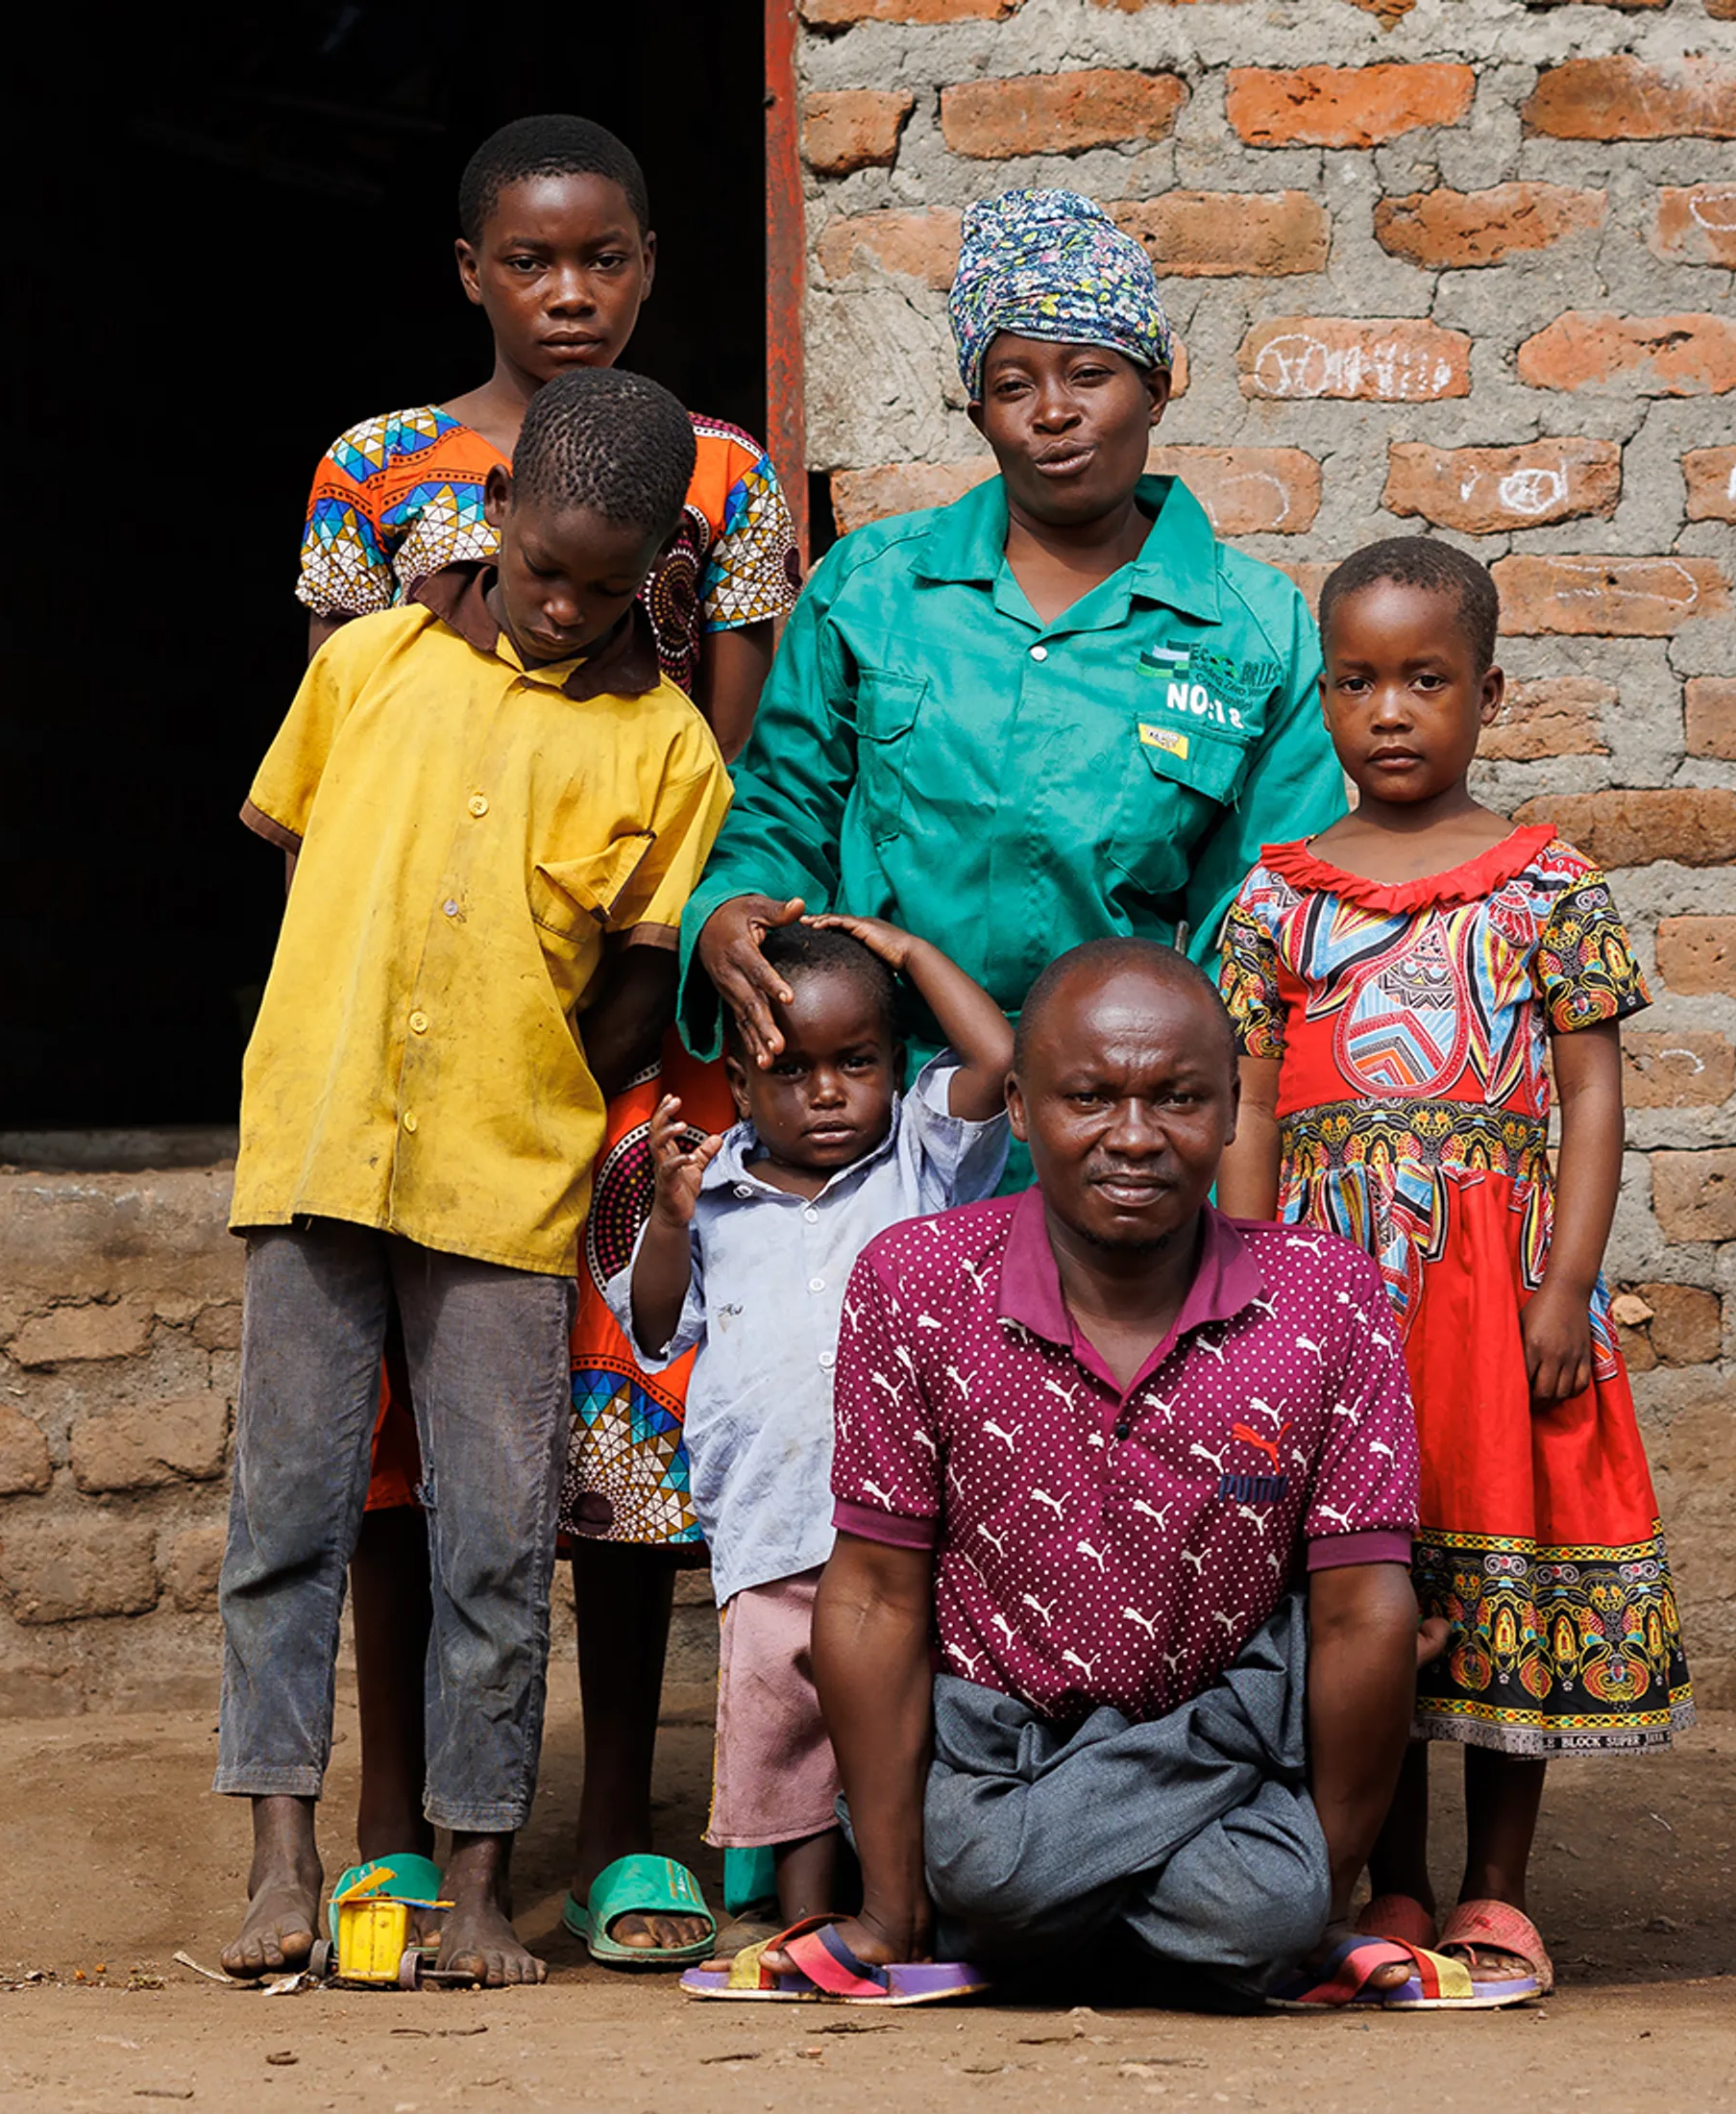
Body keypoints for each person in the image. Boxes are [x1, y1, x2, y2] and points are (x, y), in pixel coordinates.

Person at [292, 111, 796, 1964]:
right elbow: (345, 767)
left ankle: (617, 1829)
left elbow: (723, 777)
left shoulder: (723, 478)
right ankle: (392, 1828)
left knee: (622, 1413)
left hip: (623, 1023)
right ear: (471, 274)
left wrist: (641, 1025)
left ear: (653, 263)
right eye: (530, 260)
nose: (568, 292)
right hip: (414, 1041)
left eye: (604, 259)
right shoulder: (379, 472)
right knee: (403, 1434)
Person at [689, 942, 1535, 2009]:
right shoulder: (915, 1282)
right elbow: (871, 1594)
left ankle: (1055, 1921)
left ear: (1232, 1108)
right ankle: (1210, 1803)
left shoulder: (1327, 1295)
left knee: (1094, 1889)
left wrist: (1315, 1892)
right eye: (1089, 1097)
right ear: (1025, 1106)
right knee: (1027, 1871)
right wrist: (890, 1910)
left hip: (1199, 1753)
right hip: (995, 1746)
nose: (1134, 1138)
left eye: (1178, 1097)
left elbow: (1367, 1609)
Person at [216, 367, 731, 1986]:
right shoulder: (366, 663)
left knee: (499, 1539)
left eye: (603, 580)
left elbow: (643, 982)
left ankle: (478, 1880)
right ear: (490, 523)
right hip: (316, 1144)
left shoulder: (668, 754)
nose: (563, 605)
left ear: (658, 568)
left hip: (506, 1187)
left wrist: (526, 1083)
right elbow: (306, 853)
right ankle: (281, 1863)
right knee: (288, 1514)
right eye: (539, 566)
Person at [1212, 537, 1693, 1993]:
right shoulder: (1277, 900)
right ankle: (1398, 1885)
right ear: (1326, 702)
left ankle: (1497, 1885)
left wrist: (1564, 1287)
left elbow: (1592, 1096)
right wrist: (1243, 1286)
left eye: (1426, 681)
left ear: (1490, 691)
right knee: (1369, 1584)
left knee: (1505, 1561)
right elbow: (1243, 1101)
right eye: (1357, 683)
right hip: (1327, 1293)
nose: (1391, 713)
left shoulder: (1551, 890)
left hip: (1499, 1296)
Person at [683, 187, 1341, 1092]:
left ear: (1155, 388)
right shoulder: (873, 590)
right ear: (980, 415)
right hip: (880, 1111)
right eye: (1012, 385)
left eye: (1089, 374)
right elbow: (782, 809)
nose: (1052, 412)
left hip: (1117, 1115)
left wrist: (1191, 1108)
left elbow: (1268, 908)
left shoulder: (1252, 629)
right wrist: (727, 907)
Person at [603, 918, 1015, 1945]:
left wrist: (914, 954)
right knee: (784, 1730)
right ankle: (801, 1922)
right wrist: (665, 1215)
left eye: (858, 1063)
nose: (827, 1092)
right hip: (769, 1522)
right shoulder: (712, 1197)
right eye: (791, 1071)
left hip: (905, 1532)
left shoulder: (918, 1163)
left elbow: (1001, 1056)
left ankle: (904, 1913)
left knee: (904, 1726)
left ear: (895, 1066)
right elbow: (654, 1325)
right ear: (739, 1086)